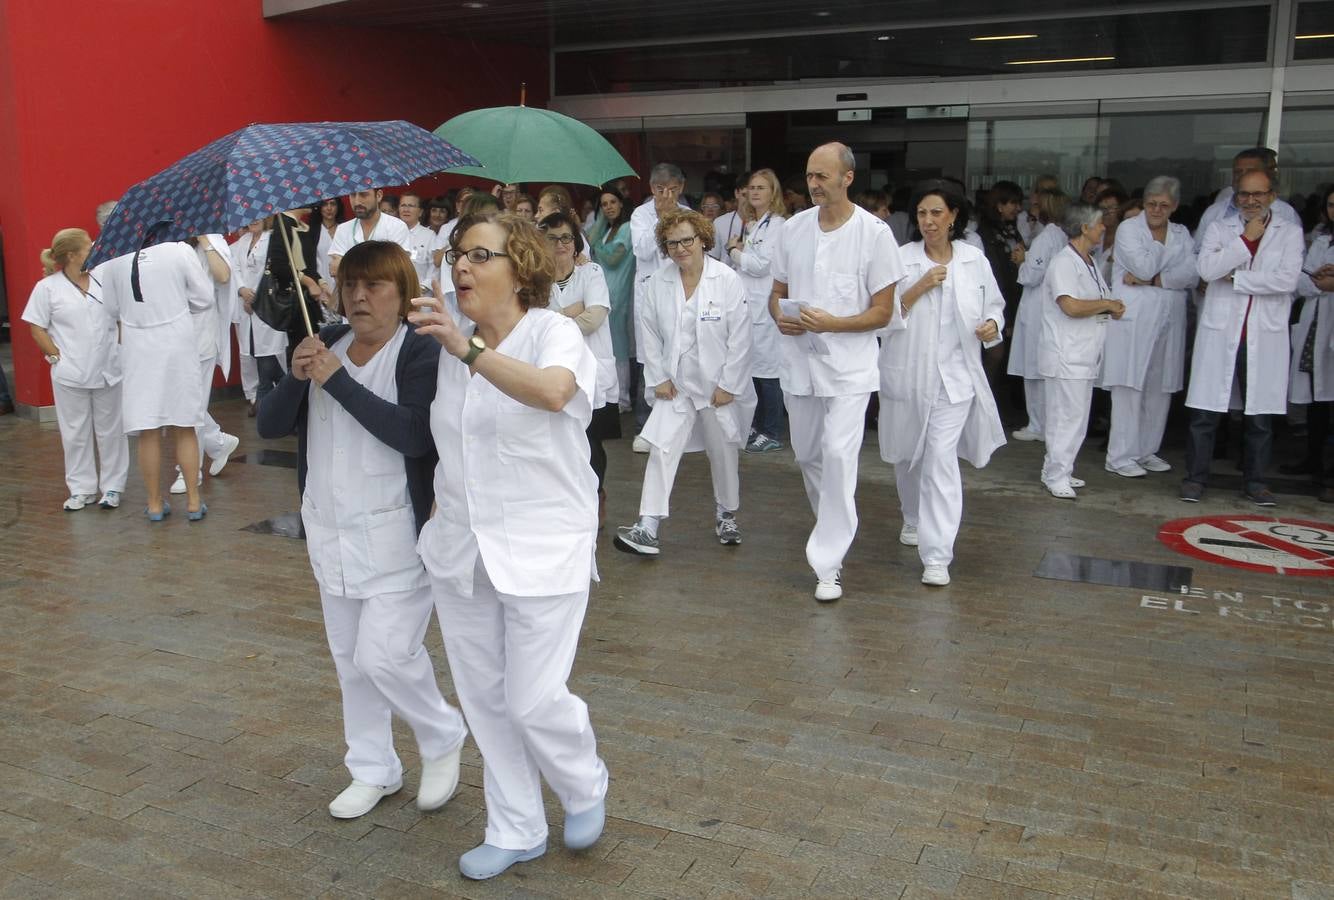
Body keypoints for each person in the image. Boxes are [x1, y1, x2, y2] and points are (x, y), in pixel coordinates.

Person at [408, 213, 609, 881]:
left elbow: (554, 393)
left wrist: (469, 353)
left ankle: (583, 783)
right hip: (462, 549)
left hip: (544, 541)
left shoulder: (553, 332)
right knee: (486, 698)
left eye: (479, 255)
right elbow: (451, 442)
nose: (461, 268)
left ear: (519, 270)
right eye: (457, 255)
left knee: (533, 698)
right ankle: (516, 826)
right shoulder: (451, 345)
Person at [256, 240, 467, 821]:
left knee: (386, 655)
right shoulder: (325, 340)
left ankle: (442, 731)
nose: (359, 297)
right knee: (350, 659)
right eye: (350, 285)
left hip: (398, 531)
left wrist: (337, 380)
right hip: (330, 527)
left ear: (402, 293)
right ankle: (373, 768)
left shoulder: (418, 351)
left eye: (374, 286)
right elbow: (269, 425)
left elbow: (415, 436)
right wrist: (300, 376)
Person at [768, 143, 903, 602]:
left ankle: (829, 563)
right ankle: (832, 533)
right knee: (808, 456)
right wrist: (780, 316)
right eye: (809, 175)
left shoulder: (875, 234)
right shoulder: (792, 230)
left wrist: (835, 323)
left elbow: (884, 312)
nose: (813, 184)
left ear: (848, 178)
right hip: (800, 364)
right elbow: (778, 292)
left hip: (850, 369)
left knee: (841, 459)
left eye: (822, 176)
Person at [879, 182, 1006, 585]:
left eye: (936, 213)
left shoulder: (974, 260)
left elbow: (995, 306)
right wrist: (918, 288)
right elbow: (881, 317)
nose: (929, 221)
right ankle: (912, 516)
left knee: (939, 460)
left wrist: (992, 326)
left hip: (956, 381)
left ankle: (937, 555)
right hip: (908, 376)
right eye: (922, 214)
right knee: (906, 455)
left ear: (953, 216)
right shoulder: (900, 259)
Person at [615, 208, 755, 555]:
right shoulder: (658, 282)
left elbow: (741, 336)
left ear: (703, 239)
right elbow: (648, 332)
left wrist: (728, 384)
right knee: (661, 449)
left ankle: (726, 513)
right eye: (672, 242)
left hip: (716, 385)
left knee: (723, 451)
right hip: (676, 384)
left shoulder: (726, 279)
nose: (680, 248)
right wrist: (658, 376)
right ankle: (648, 525)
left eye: (686, 240)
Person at [1183, 168, 1305, 505]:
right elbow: (1207, 270)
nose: (1250, 201)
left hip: (1264, 334)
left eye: (1258, 194)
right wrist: (1245, 240)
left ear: (1272, 197)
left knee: (1259, 415)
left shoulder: (1290, 232)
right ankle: (1195, 478)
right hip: (1222, 331)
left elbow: (1287, 281)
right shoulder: (1222, 229)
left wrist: (1236, 280)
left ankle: (1255, 482)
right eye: (1244, 195)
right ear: (1236, 197)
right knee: (1205, 412)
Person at [98, 240, 213, 520]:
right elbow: (205, 298)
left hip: (138, 348)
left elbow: (111, 309)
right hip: (177, 343)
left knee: (147, 429)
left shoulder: (115, 260)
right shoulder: (179, 251)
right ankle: (194, 501)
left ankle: (153, 504)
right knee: (184, 425)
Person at [21, 228, 128, 510]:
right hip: (71, 374)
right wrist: (56, 357)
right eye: (88, 247)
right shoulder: (47, 288)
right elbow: (37, 327)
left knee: (111, 431)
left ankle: (113, 487)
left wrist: (118, 347)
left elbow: (121, 318)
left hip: (108, 369)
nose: (94, 249)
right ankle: (82, 489)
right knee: (75, 433)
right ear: (71, 255)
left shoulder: (104, 279)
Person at [1100, 177, 1197, 478]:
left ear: (1175, 206)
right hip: (1134, 319)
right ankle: (1119, 456)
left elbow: (1192, 273)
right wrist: (1160, 261)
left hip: (1169, 317)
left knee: (1160, 386)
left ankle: (1146, 450)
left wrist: (1154, 279)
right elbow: (1141, 266)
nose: (1156, 210)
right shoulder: (1129, 229)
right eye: (1152, 203)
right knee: (1129, 385)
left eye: (1164, 205)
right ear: (1144, 202)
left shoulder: (1181, 232)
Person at [1037, 204, 1126, 499]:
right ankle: (1055, 474)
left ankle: (1061, 468)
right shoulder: (1064, 262)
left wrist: (1109, 306)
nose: (1104, 228)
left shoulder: (1089, 261)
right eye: (1100, 224)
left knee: (1075, 417)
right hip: (1067, 354)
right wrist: (1107, 305)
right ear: (1085, 228)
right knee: (1065, 418)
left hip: (1084, 354)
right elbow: (1071, 305)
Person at [539, 210, 621, 521]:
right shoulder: (539, 281)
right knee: (560, 441)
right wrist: (574, 311)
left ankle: (596, 495)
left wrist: (553, 321)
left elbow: (594, 318)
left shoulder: (592, 273)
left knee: (591, 444)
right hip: (554, 372)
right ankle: (567, 501)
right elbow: (533, 321)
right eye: (552, 238)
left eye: (565, 238)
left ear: (576, 244)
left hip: (591, 373)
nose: (559, 244)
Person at [171, 234, 240, 495]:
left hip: (202, 333)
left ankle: (189, 471)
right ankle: (218, 442)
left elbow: (223, 276)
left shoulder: (213, 241)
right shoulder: (171, 245)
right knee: (182, 402)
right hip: (174, 332)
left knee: (192, 405)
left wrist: (204, 241)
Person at [725, 168, 787, 452]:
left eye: (762, 188)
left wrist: (735, 252)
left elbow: (763, 265)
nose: (755, 192)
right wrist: (741, 252)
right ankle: (756, 426)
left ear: (773, 192)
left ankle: (771, 431)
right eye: (751, 188)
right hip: (749, 304)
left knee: (769, 372)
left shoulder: (777, 225)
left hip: (765, 305)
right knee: (752, 370)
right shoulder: (752, 224)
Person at [1006, 188, 1070, 442]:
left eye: (1034, 206)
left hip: (1037, 306)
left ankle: (1037, 424)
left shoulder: (1047, 238)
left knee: (1033, 366)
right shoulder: (1060, 236)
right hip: (1047, 305)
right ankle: (1043, 422)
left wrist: (1022, 260)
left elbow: (1032, 275)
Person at [1286, 185, 1334, 502]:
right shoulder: (1321, 240)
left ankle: (1330, 473)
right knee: (1319, 401)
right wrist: (1322, 282)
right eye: (1331, 204)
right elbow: (1302, 280)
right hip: (1318, 326)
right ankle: (1313, 460)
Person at [1194, 148, 1302, 251]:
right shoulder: (1213, 212)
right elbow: (1198, 253)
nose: (1243, 176)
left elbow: (1295, 263)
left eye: (1250, 171)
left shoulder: (1286, 213)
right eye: (1238, 171)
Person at [232, 219, 288, 413]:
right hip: (246, 305)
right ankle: (261, 397)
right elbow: (235, 268)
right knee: (253, 353)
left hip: (266, 305)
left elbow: (272, 272)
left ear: (267, 219)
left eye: (258, 216)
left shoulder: (272, 239)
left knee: (269, 356)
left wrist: (254, 298)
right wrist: (241, 289)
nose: (253, 221)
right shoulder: (242, 241)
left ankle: (268, 398)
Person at [588, 187, 636, 411]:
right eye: (604, 204)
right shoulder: (608, 230)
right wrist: (599, 222)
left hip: (618, 294)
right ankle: (613, 396)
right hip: (605, 292)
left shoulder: (627, 228)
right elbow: (589, 241)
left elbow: (614, 258)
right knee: (607, 345)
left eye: (612, 202)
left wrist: (596, 245)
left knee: (618, 346)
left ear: (621, 204)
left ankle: (622, 398)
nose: (608, 207)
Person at [328, 188, 412, 278]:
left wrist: (347, 266)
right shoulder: (343, 229)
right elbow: (335, 269)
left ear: (379, 196)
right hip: (351, 291)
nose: (357, 202)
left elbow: (397, 268)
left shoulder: (396, 226)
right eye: (352, 195)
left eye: (363, 195)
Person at [398, 193, 435, 289]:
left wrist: (424, 287)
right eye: (403, 205)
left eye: (411, 206)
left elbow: (434, 266)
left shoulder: (429, 235)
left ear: (420, 212)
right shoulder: (391, 233)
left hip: (421, 293)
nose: (406, 209)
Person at [1017, 174, 1059, 247]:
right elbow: (1023, 242)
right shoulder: (1024, 216)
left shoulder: (1058, 216)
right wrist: (1032, 219)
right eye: (1036, 191)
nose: (1036, 195)